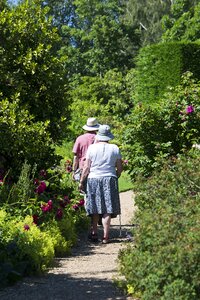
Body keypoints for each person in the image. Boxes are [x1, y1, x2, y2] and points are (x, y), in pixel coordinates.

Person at [79, 124, 123, 244]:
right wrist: (116, 176)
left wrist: (82, 181)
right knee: (107, 209)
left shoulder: (92, 148)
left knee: (95, 207)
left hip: (94, 179)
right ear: (109, 136)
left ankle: (94, 233)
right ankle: (105, 236)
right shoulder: (115, 148)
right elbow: (119, 168)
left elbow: (86, 167)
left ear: (99, 135)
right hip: (109, 178)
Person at [72, 117, 100, 182]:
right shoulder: (99, 139)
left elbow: (76, 157)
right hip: (96, 168)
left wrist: (74, 171)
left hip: (83, 167)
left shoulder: (79, 138)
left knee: (84, 189)